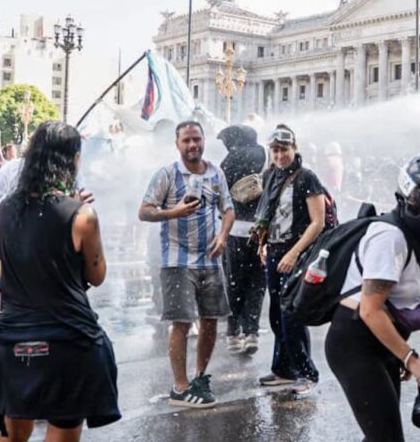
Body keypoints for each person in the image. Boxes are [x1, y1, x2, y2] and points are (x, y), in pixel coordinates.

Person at [0, 122, 119, 442]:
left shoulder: (4, 210)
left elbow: (12, 265)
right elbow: (96, 276)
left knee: (9, 440)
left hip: (14, 340)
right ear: (73, 160)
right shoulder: (81, 215)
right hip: (67, 341)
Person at [327, 154, 420, 442]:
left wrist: (397, 353)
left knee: (377, 440)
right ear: (403, 198)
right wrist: (411, 358)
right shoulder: (390, 237)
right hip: (355, 345)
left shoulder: (414, 233)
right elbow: (370, 310)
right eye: (419, 207)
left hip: (377, 344)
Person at [138, 120, 235, 409]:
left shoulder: (216, 173)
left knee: (210, 319)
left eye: (197, 139)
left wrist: (223, 235)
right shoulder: (166, 174)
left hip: (210, 259)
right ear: (177, 144)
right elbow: (144, 212)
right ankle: (180, 388)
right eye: (186, 141)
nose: (192, 145)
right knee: (181, 322)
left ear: (203, 141)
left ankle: (200, 377)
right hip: (176, 262)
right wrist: (174, 211)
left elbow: (228, 209)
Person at [253, 125, 326, 393]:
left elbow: (317, 223)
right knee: (275, 313)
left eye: (284, 149)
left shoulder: (307, 178)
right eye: (275, 150)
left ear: (294, 149)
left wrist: (293, 253)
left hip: (296, 254)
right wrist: (262, 244)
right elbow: (268, 213)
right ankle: (283, 368)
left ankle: (306, 373)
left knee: (291, 314)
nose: (280, 155)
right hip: (273, 251)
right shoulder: (271, 174)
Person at [217, 124, 267, 356]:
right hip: (260, 231)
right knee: (256, 283)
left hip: (235, 230)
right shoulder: (263, 155)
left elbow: (220, 196)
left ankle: (232, 332)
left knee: (234, 283)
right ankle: (252, 332)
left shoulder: (228, 162)